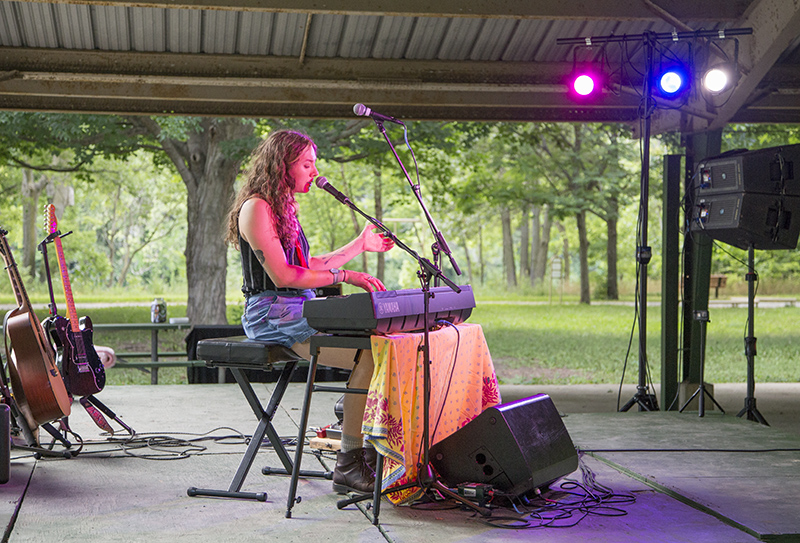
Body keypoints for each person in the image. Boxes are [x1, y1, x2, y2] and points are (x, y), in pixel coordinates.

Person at [225, 129, 394, 494]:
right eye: (306, 163)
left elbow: (307, 264)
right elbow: (284, 275)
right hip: (272, 314)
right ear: (281, 165)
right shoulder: (257, 208)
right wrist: (347, 276)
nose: (314, 171)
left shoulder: (284, 208)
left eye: (314, 163)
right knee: (371, 353)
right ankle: (349, 462)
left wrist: (359, 245)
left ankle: (351, 404)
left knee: (384, 341)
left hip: (301, 307)